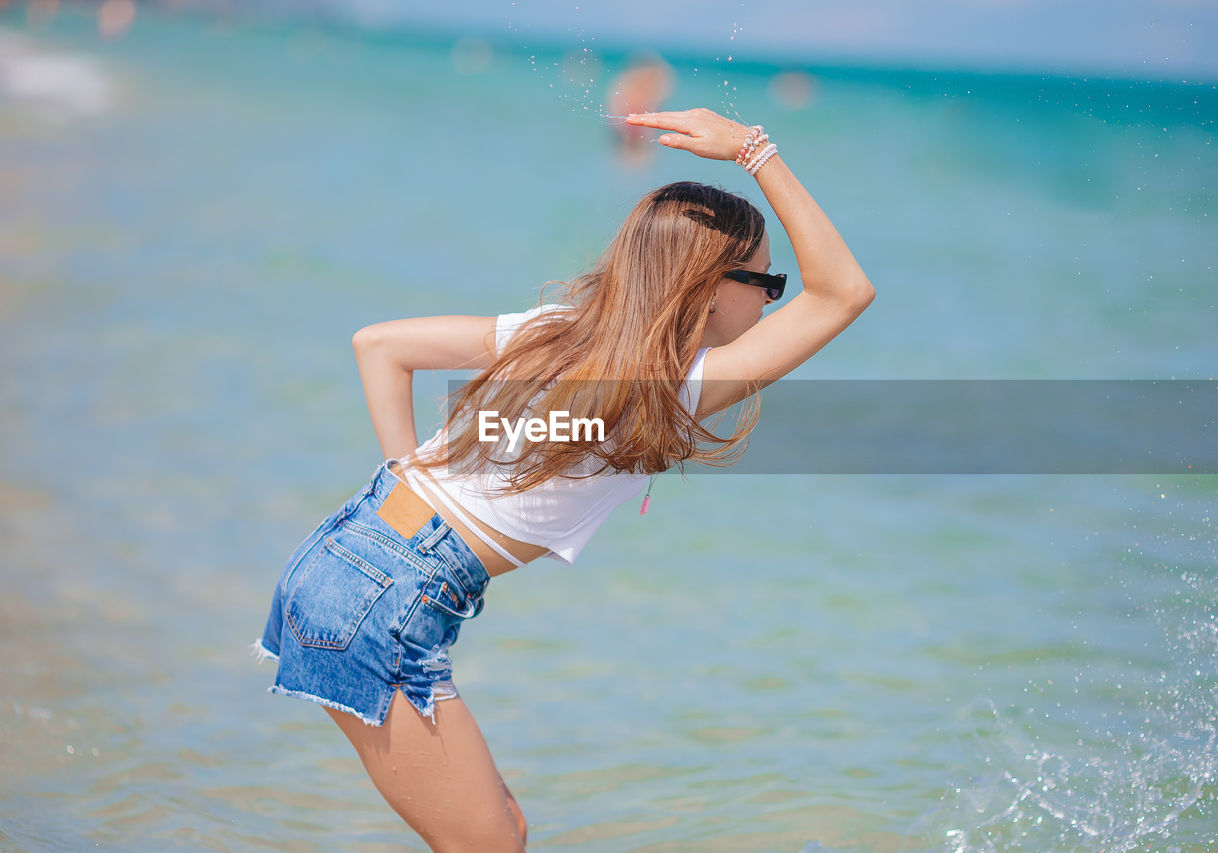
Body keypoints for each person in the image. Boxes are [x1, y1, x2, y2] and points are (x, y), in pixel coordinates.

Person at [254, 107, 875, 851]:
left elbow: (380, 344)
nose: (774, 296)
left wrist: (406, 482)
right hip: (389, 595)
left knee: (502, 833)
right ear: (710, 287)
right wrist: (754, 151)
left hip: (349, 551)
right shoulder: (676, 384)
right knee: (491, 842)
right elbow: (842, 291)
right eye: (767, 279)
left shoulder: (551, 330)